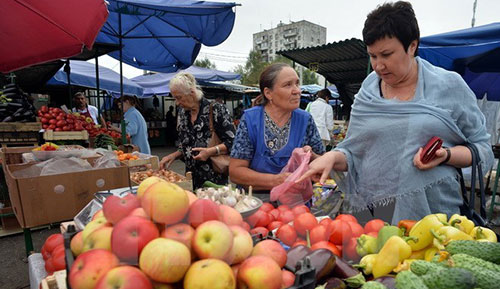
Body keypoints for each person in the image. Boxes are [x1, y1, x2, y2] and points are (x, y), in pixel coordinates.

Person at [297, 1, 493, 224]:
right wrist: (332, 157)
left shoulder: (448, 86)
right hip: (372, 213)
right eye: (373, 56)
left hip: (433, 217)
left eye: (386, 54)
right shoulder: (368, 91)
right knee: (370, 258)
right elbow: (355, 153)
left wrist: (445, 156)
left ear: (412, 46)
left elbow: (482, 150)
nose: (379, 65)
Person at [229, 63, 325, 191]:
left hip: (295, 203)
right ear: (268, 93)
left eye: (297, 83)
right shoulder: (250, 119)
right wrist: (276, 181)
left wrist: (312, 156)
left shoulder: (305, 120)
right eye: (288, 85)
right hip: (255, 201)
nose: (297, 90)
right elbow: (235, 172)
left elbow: (323, 164)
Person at [159, 73, 236, 189]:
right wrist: (173, 156)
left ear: (192, 93)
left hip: (214, 180)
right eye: (174, 98)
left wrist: (210, 151)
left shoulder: (216, 109)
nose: (177, 102)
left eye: (179, 97)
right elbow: (186, 145)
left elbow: (233, 142)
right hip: (190, 178)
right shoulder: (183, 113)